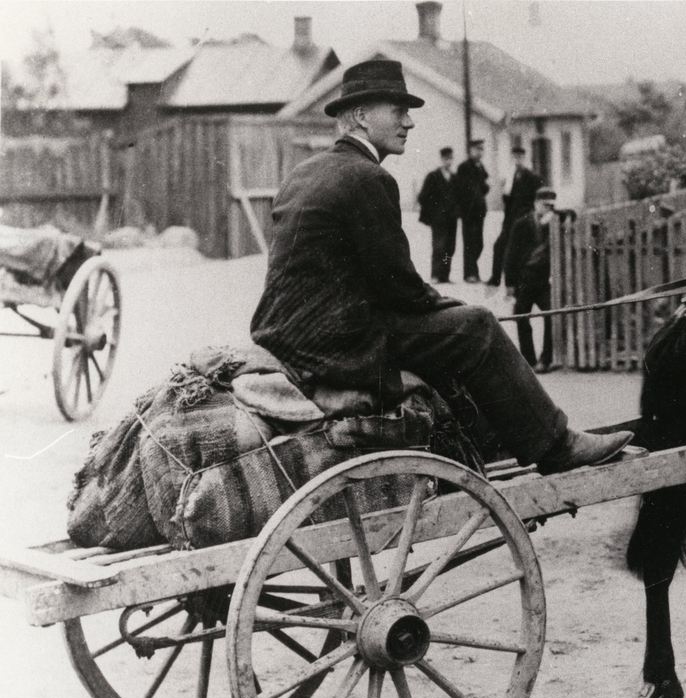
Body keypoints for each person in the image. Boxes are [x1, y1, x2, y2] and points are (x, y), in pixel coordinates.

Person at [250, 59, 632, 473]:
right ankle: (556, 445)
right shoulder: (367, 177)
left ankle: (487, 439)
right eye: (398, 112)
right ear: (360, 117)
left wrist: (436, 306)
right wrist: (447, 305)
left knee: (449, 326)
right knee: (477, 327)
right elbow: (398, 285)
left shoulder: (304, 173)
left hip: (287, 337)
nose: (409, 123)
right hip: (336, 345)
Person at [505, 186, 559, 372]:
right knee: (522, 318)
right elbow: (511, 254)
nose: (549, 209)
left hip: (542, 281)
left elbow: (572, 214)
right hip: (524, 280)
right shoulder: (521, 223)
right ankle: (530, 361)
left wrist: (554, 218)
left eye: (552, 206)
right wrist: (510, 285)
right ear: (536, 203)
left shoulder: (554, 222)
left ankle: (546, 360)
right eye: (545, 205)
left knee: (552, 315)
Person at [488, 144, 543, 289]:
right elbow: (507, 200)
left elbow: (536, 199)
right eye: (515, 157)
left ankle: (513, 283)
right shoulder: (510, 175)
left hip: (523, 220)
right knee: (499, 246)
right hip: (510, 220)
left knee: (516, 252)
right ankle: (495, 279)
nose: (518, 160)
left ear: (525, 158)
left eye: (520, 157)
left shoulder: (532, 176)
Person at [417, 146, 458, 283]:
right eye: (446, 159)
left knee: (450, 247)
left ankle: (445, 276)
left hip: (451, 219)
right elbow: (422, 196)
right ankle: (435, 275)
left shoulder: (454, 177)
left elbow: (460, 197)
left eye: (450, 159)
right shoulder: (433, 176)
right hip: (439, 219)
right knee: (439, 247)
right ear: (441, 159)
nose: (448, 162)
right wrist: (434, 210)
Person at [453, 138, 489, 283]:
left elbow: (484, 187)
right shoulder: (464, 167)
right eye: (477, 149)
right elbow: (461, 189)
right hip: (468, 210)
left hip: (480, 210)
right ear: (470, 151)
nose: (480, 152)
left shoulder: (480, 166)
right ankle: (469, 274)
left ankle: (474, 272)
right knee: (470, 242)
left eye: (481, 149)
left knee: (479, 243)